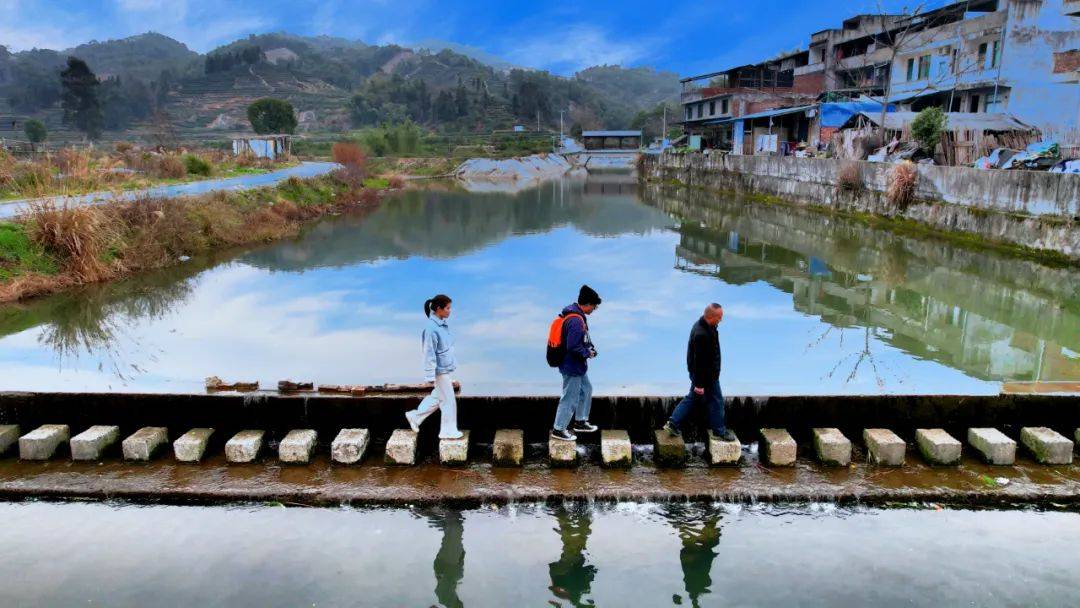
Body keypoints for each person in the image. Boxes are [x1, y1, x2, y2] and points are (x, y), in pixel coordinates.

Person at [663, 303, 736, 442]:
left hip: (705, 375)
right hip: (706, 376)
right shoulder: (701, 334)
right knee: (716, 401)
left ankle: (673, 423)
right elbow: (699, 362)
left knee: (692, 398)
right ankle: (719, 431)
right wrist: (699, 384)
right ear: (711, 317)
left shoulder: (707, 325)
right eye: (720, 317)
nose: (721, 320)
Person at [404, 294, 463, 439]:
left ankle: (415, 417)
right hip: (439, 371)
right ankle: (447, 431)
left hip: (444, 369)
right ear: (439, 309)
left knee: (437, 398)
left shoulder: (441, 325)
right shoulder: (431, 329)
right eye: (448, 308)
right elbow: (428, 353)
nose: (450, 311)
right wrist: (430, 375)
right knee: (448, 400)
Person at [551, 285, 602, 441]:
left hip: (577, 365)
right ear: (586, 304)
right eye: (594, 306)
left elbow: (582, 340)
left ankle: (580, 421)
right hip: (571, 365)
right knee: (570, 397)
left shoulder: (577, 317)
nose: (594, 309)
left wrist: (590, 347)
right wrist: (587, 353)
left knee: (586, 389)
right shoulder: (575, 320)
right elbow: (572, 346)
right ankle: (559, 429)